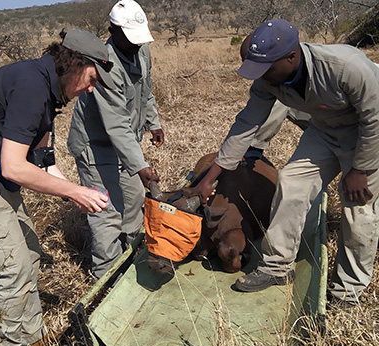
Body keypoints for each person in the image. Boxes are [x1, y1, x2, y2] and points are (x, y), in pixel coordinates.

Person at [194, 19, 379, 306]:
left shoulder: (345, 67)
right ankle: (277, 266)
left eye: (265, 69)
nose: (261, 77)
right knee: (291, 182)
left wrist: (360, 168)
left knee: (358, 207)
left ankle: (349, 291)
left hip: (368, 132)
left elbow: (374, 117)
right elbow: (246, 124)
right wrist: (211, 175)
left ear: (291, 57)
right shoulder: (270, 78)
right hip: (325, 130)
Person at [0, 29, 115, 346]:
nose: (90, 89)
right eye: (91, 80)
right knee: (11, 268)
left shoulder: (47, 88)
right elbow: (14, 166)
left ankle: (32, 334)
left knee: (31, 254)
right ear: (76, 64)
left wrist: (77, 191)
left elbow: (41, 160)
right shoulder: (31, 86)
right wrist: (73, 191)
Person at [68, 0, 163, 279]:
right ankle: (105, 276)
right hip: (96, 147)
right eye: (130, 39)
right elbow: (116, 124)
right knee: (106, 210)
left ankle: (128, 254)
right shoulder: (104, 64)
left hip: (126, 143)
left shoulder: (141, 50)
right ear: (112, 29)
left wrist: (153, 122)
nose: (136, 45)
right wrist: (142, 165)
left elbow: (146, 89)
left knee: (133, 201)